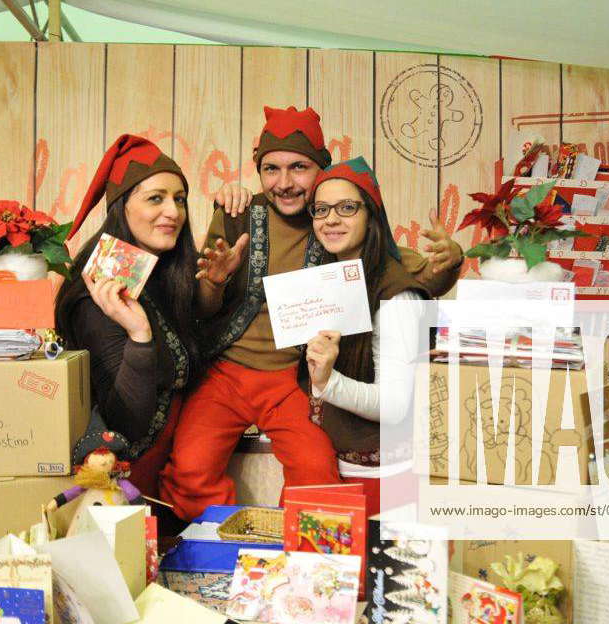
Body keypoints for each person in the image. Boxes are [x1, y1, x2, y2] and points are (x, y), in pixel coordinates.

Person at [160, 106, 464, 521]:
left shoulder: (335, 220)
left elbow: (402, 273)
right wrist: (212, 283)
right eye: (272, 169)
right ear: (259, 171)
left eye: (299, 167)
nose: (284, 183)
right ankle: (214, 553)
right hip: (225, 372)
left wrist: (450, 261)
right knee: (191, 466)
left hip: (292, 377)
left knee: (316, 470)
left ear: (321, 169)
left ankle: (302, 568)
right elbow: (200, 306)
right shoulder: (236, 214)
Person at [55, 134, 199, 500]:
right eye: (156, 198)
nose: (174, 212)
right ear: (122, 207)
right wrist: (139, 335)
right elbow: (125, 425)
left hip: (173, 470)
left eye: (179, 199)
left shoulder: (162, 272)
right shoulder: (96, 294)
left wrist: (214, 289)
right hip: (125, 485)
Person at [300, 156, 431, 517]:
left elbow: (394, 404)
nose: (330, 219)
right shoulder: (329, 279)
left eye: (346, 207)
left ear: (371, 214)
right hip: (335, 469)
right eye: (321, 209)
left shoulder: (397, 295)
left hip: (383, 483)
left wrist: (327, 381)